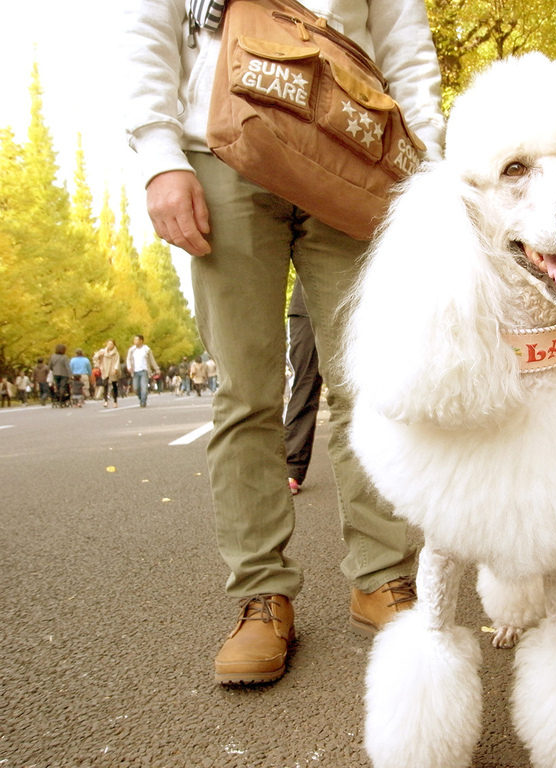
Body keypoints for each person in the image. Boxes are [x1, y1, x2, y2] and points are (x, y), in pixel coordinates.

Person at [125, 0, 444, 685]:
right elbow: (150, 20)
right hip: (223, 142)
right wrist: (159, 153)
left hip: (352, 150)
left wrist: (428, 172)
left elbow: (404, 40)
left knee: (375, 383)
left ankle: (381, 577)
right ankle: (262, 594)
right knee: (246, 389)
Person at [285, 278, 323, 496]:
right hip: (305, 306)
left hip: (358, 294)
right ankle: (292, 465)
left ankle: (373, 467)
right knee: (305, 383)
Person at [126, 335, 160, 407]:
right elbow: (128, 359)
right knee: (136, 388)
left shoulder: (146, 350)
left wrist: (156, 369)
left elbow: (152, 360)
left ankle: (143, 402)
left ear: (141, 341)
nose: (135, 341)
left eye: (137, 340)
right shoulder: (132, 350)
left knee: (144, 387)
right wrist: (129, 367)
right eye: (134, 340)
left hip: (144, 371)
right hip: (135, 371)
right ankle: (141, 397)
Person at [97, 339, 122, 408]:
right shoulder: (103, 352)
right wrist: (99, 356)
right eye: (108, 344)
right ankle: (105, 400)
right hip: (105, 369)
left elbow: (117, 361)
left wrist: (116, 369)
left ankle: (115, 401)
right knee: (105, 385)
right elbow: (96, 358)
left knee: (114, 385)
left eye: (111, 344)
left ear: (114, 345)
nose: (110, 346)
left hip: (112, 370)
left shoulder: (116, 353)